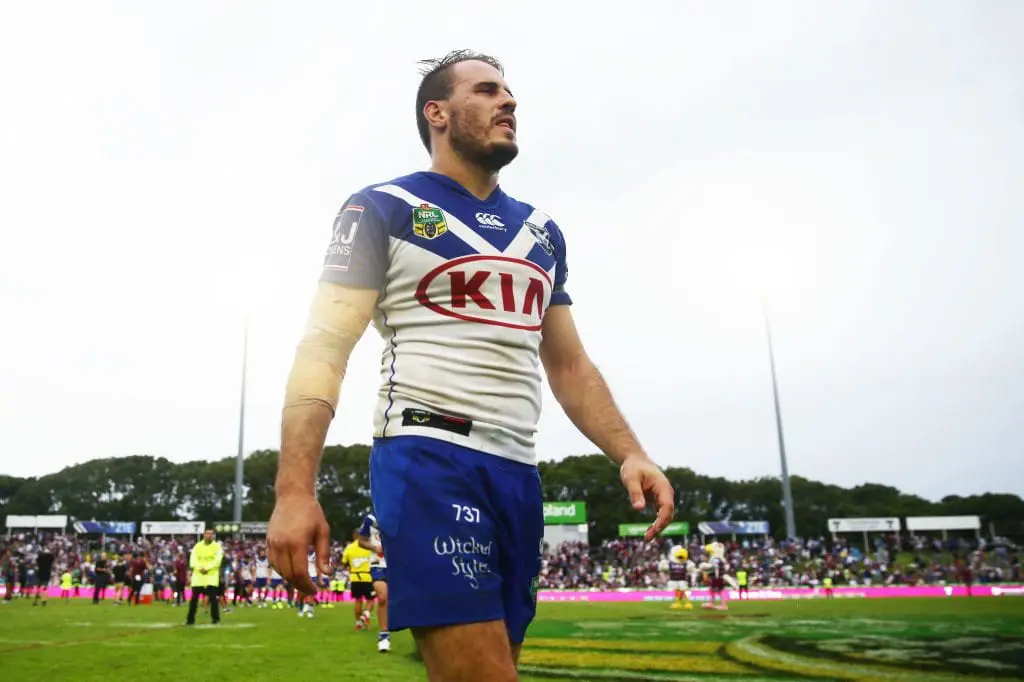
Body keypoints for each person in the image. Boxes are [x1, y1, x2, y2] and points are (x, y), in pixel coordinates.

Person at [266, 49, 675, 681]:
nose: (508, 102)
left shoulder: (542, 232)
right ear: (437, 113)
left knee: (497, 663)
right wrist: (295, 491)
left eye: (508, 94)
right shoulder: (381, 208)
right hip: (429, 457)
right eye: (486, 90)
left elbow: (569, 365)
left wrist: (630, 452)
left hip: (517, 472)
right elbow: (324, 350)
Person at [358, 513, 391, 652]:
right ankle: (384, 636)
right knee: (382, 597)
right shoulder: (371, 518)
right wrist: (374, 547)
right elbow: (361, 541)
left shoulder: (400, 513)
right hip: (378, 563)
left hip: (397, 562)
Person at [185, 529, 223, 626]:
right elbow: (193, 560)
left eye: (211, 534)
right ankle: (190, 620)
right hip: (198, 577)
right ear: (204, 535)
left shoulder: (217, 547)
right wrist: (200, 568)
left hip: (211, 577)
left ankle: (216, 619)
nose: (209, 535)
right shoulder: (197, 546)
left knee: (213, 599)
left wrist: (206, 568)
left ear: (213, 536)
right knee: (194, 599)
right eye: (207, 534)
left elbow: (217, 561)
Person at [341, 529, 375, 631]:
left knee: (358, 600)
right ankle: (366, 614)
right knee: (371, 600)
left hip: (355, 577)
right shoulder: (369, 547)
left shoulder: (349, 547)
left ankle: (358, 622)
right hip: (368, 576)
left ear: (354, 536)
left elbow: (344, 562)